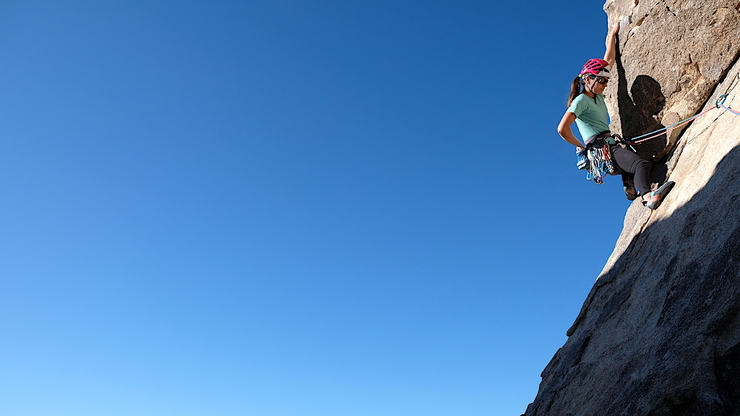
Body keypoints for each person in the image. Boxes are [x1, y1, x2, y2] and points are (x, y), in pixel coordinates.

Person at [557, 22, 674, 210]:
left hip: (609, 144)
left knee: (632, 160)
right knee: (640, 164)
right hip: (601, 147)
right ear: (588, 80)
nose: (605, 84)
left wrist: (612, 35)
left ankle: (629, 185)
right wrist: (582, 147)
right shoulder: (581, 101)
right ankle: (647, 196)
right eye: (601, 80)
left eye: (606, 80)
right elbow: (562, 129)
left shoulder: (597, 96)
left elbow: (609, 61)